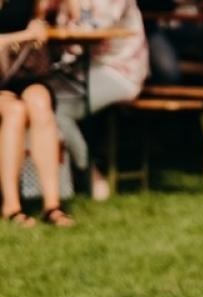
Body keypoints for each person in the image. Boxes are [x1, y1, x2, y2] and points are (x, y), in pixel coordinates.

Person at [49, 0, 146, 202]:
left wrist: (71, 9)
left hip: (121, 71)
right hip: (84, 69)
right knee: (38, 95)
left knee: (56, 108)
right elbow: (66, 36)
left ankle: (88, 171)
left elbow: (94, 28)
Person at [1, 0, 71, 227]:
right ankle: (11, 206)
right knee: (15, 112)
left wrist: (39, 25)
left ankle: (52, 206)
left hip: (21, 72)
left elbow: (41, 16)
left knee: (41, 102)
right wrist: (24, 36)